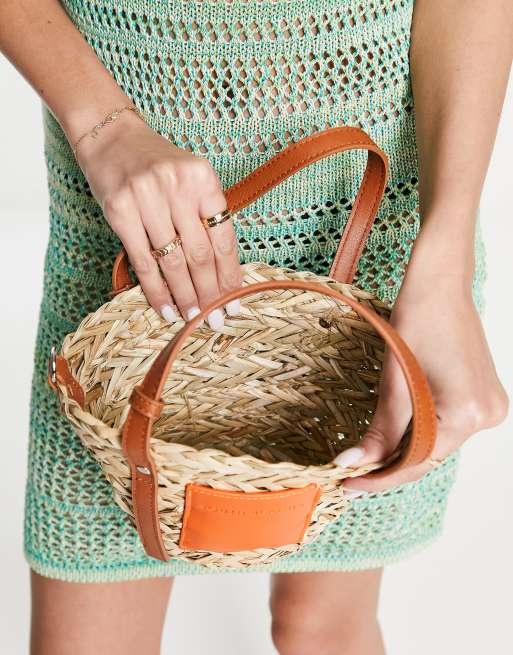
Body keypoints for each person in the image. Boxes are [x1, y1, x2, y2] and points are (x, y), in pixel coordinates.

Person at [1, 1, 511, 654]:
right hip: (132, 228)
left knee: (320, 626)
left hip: (376, 217)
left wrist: (445, 256)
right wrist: (101, 126)